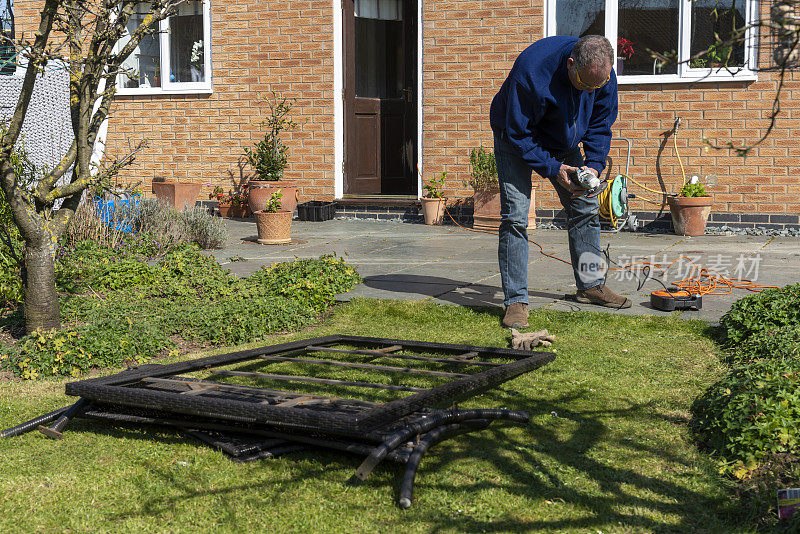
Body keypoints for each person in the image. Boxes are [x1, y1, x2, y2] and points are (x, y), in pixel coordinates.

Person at [490, 34, 631, 330]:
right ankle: (516, 301)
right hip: (515, 139)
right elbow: (519, 134)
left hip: (563, 138)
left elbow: (600, 123)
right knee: (516, 216)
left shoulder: (601, 75)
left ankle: (591, 286)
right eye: (585, 84)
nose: (591, 90)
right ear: (570, 65)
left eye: (598, 85)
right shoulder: (531, 70)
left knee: (585, 207)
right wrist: (554, 169)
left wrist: (593, 166)